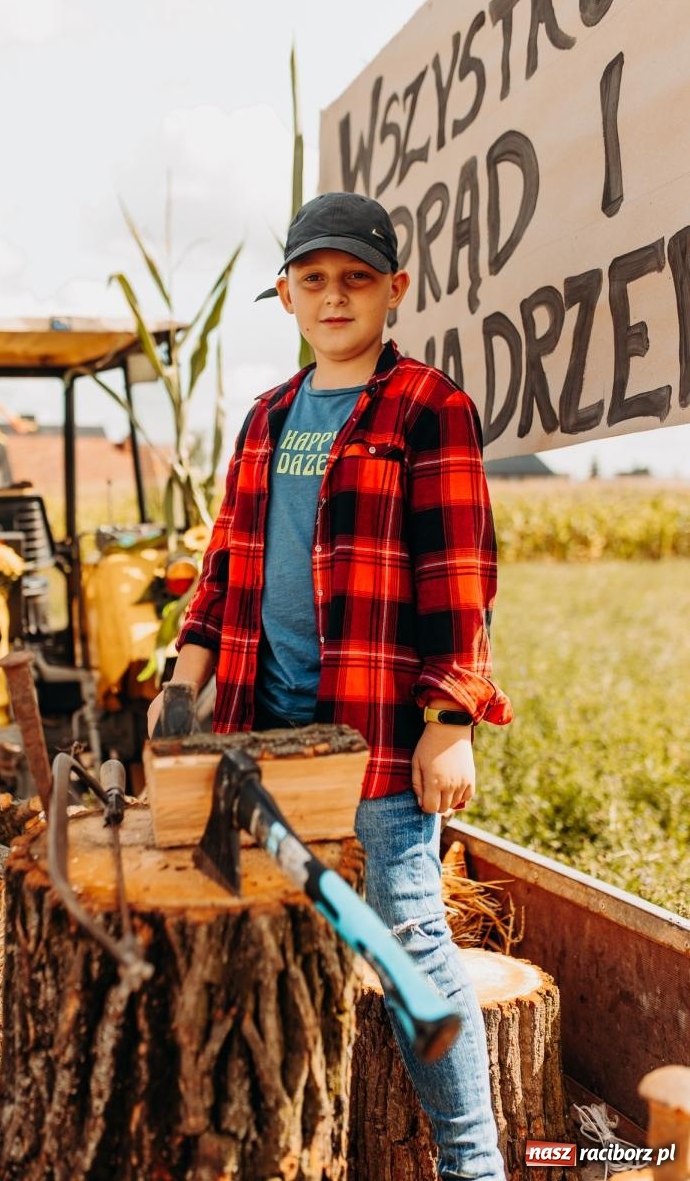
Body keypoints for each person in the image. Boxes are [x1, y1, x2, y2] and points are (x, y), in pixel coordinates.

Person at [147, 191, 513, 1181]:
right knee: (275, 936)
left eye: (356, 278)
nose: (335, 296)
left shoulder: (426, 407)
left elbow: (459, 572)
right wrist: (183, 680)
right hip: (261, 729)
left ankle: (472, 1165)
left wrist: (451, 717)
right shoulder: (267, 417)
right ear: (286, 296)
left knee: (410, 935)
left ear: (395, 289)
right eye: (313, 280)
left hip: (376, 734)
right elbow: (225, 565)